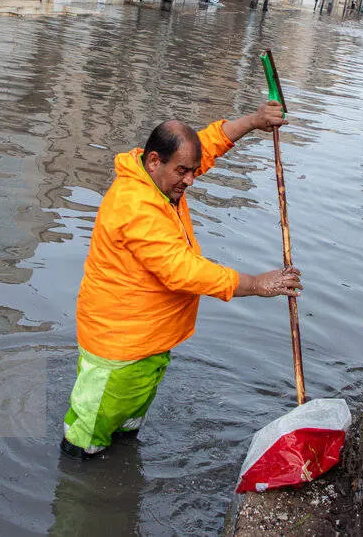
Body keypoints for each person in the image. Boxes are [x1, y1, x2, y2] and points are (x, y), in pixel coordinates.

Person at [61, 101, 303, 459]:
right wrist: (256, 284)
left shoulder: (162, 178)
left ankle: (121, 459)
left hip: (148, 340)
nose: (190, 179)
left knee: (125, 427)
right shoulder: (135, 206)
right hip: (119, 346)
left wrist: (254, 121)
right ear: (154, 161)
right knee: (88, 435)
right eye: (183, 172)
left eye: (192, 170)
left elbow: (206, 145)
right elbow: (184, 271)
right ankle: (78, 481)